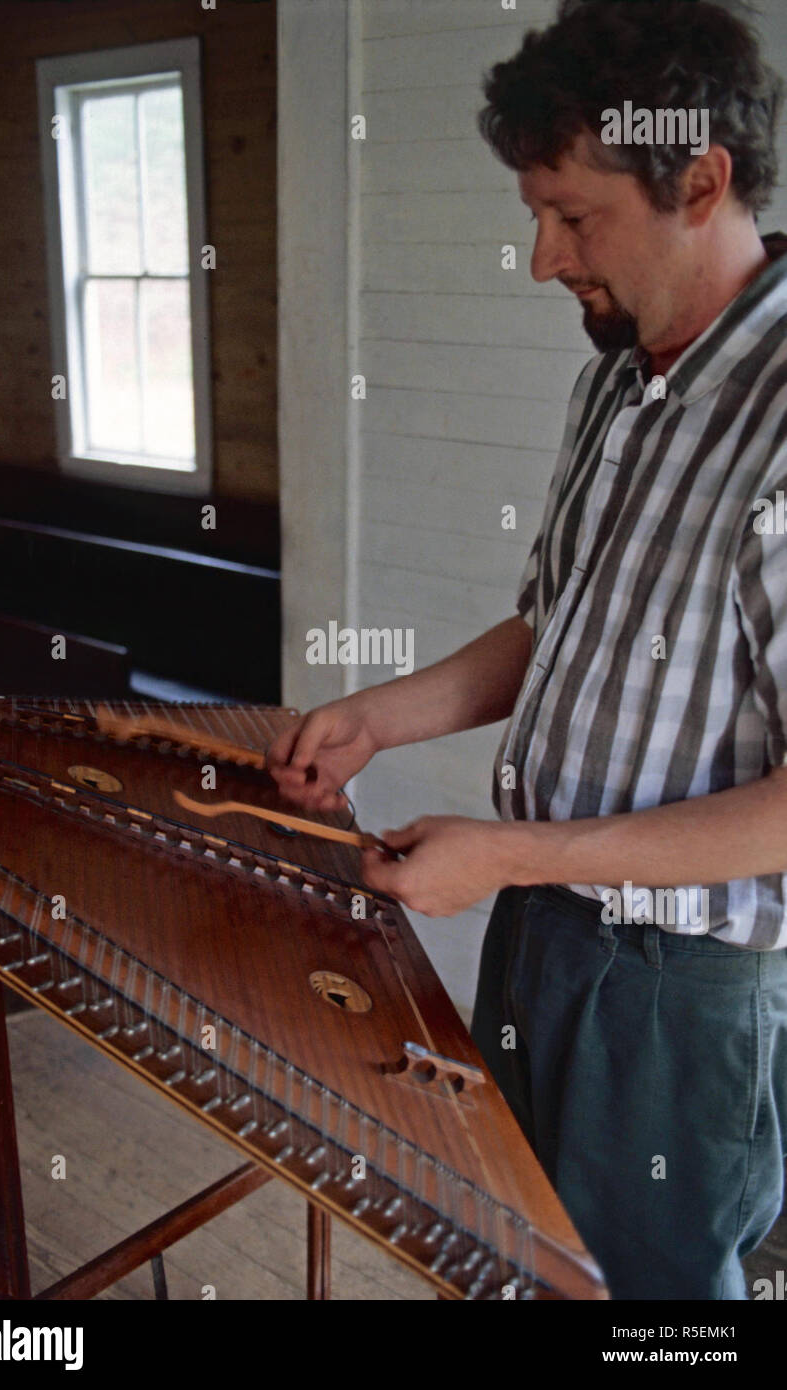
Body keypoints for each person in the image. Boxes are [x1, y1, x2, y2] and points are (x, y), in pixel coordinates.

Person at [268, 0, 787, 1300]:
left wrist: (510, 852)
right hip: (541, 936)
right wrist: (385, 717)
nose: (541, 257)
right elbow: (556, 621)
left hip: (675, 992)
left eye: (573, 215)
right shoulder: (618, 375)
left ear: (702, 181)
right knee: (521, 1256)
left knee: (652, 1301)